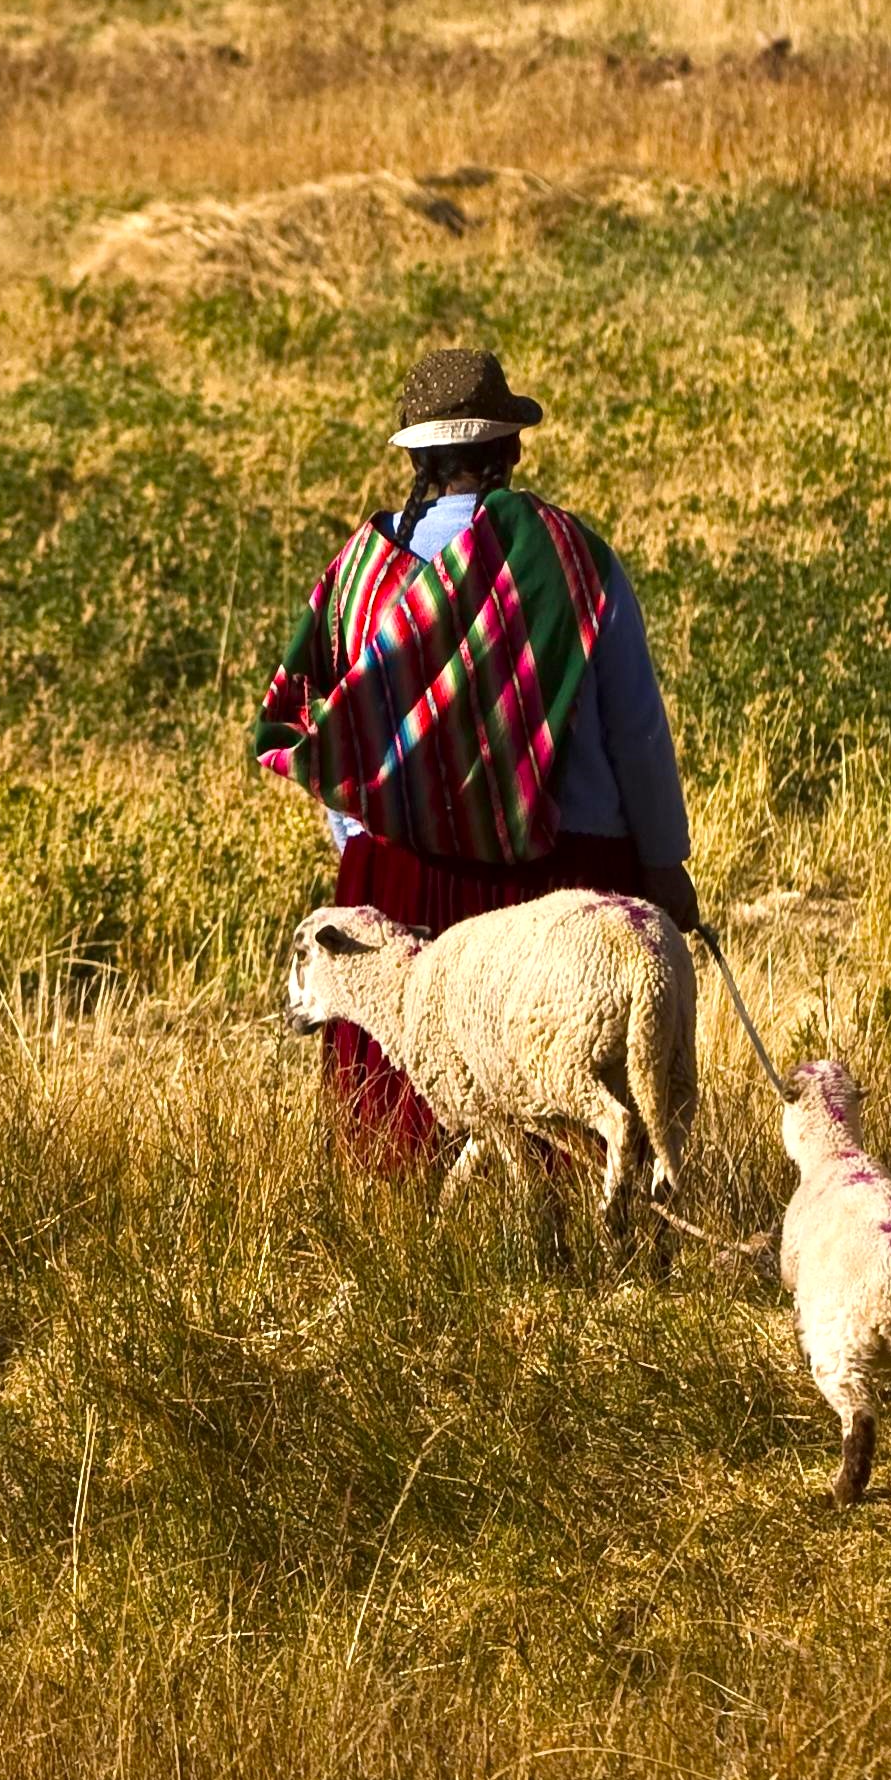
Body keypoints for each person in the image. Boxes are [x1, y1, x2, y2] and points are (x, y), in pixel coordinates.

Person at [252, 341, 696, 1165]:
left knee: (400, 1137)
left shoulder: (355, 577)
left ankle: (410, 1242)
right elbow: (636, 730)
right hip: (557, 886)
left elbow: (331, 733)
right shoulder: (570, 559)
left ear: (416, 455)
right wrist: (665, 865)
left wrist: (364, 848)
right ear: (511, 448)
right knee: (564, 1101)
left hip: (400, 883)